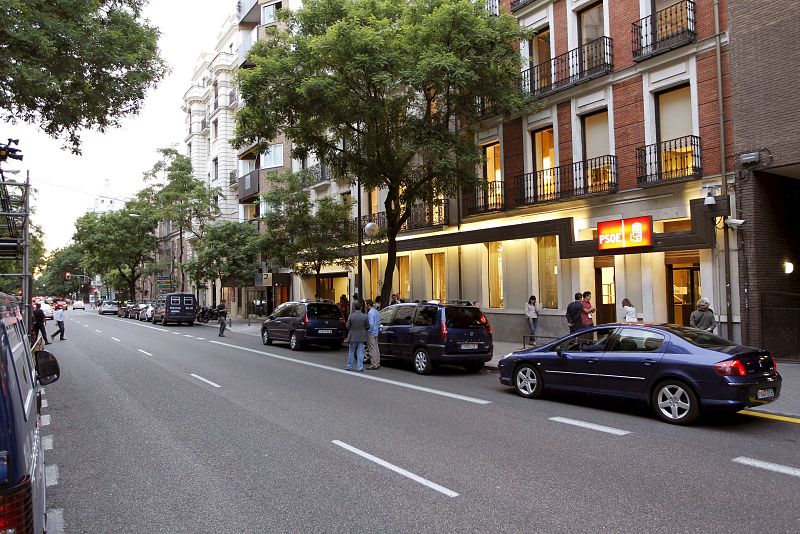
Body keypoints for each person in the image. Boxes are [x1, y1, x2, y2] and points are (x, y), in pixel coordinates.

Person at [345, 302, 369, 372]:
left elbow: (347, 326)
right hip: (361, 336)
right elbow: (368, 326)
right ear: (361, 308)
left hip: (353, 336)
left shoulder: (351, 316)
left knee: (351, 351)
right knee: (360, 352)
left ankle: (349, 366)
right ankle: (360, 367)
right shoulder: (365, 316)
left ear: (354, 308)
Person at [364, 299, 381, 370]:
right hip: (376, 332)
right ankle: (377, 362)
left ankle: (374, 364)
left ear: (368, 304)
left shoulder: (370, 313)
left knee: (372, 348)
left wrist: (368, 331)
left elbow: (371, 324)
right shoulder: (376, 312)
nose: (365, 306)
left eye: (365, 304)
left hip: (371, 332)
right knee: (376, 347)